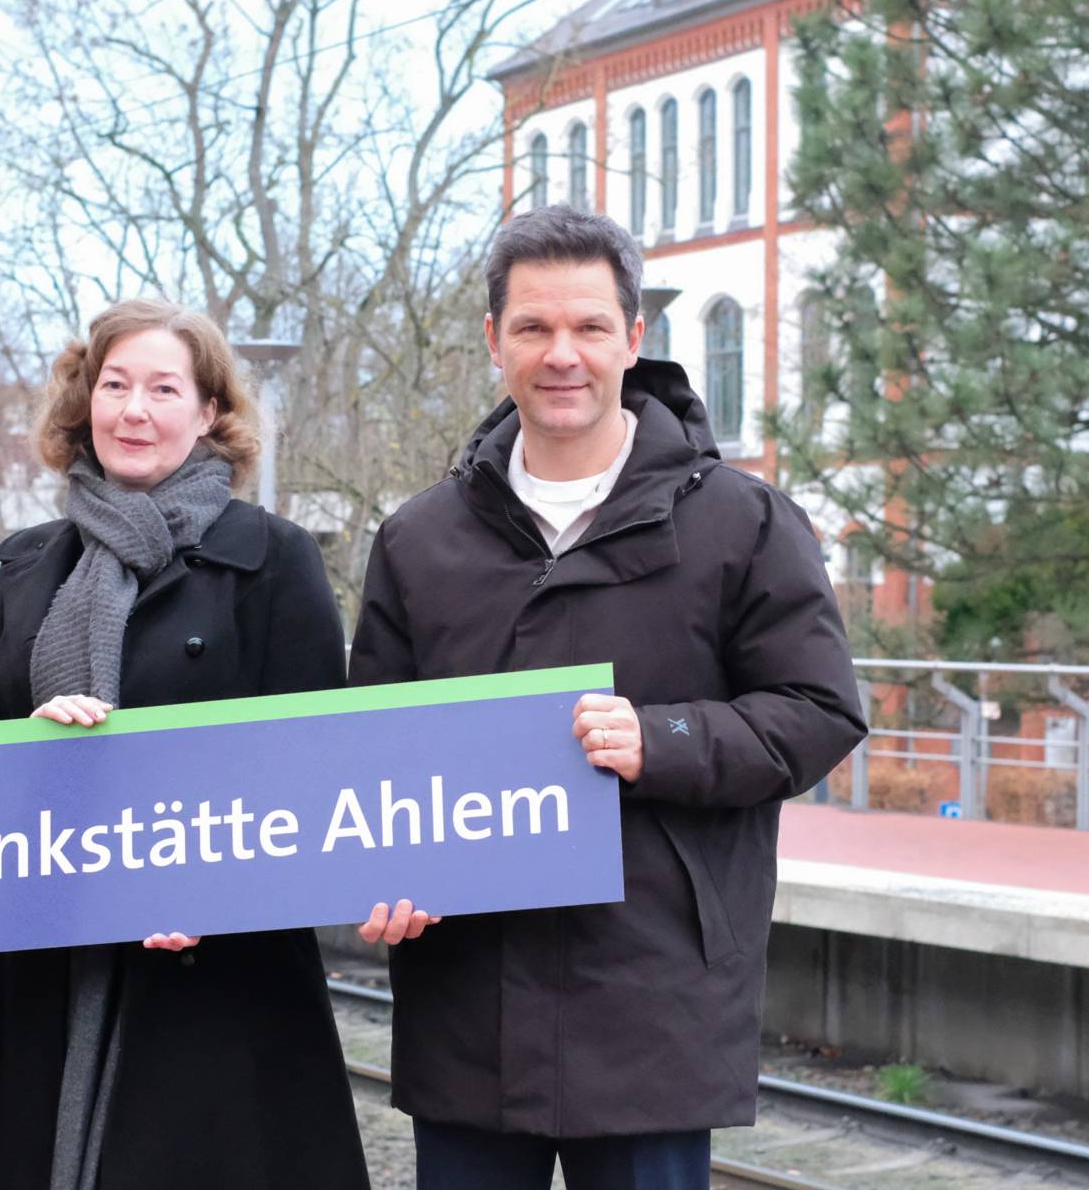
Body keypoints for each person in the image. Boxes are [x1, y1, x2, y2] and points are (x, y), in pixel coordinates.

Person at [347, 205, 867, 1190]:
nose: (561, 354)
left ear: (634, 337)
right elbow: (375, 744)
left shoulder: (741, 520)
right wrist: (384, 875)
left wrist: (661, 736)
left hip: (652, 997)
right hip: (468, 997)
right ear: (492, 340)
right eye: (533, 327)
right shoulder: (418, 539)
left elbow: (819, 710)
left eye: (588, 327)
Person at [0, 299, 369, 1190]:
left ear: (209, 413)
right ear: (85, 402)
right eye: (116, 385)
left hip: (214, 984)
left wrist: (216, 888)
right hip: (40, 975)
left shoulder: (275, 561)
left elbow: (322, 779)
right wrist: (26, 754)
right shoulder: (29, 568)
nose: (135, 410)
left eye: (165, 388)